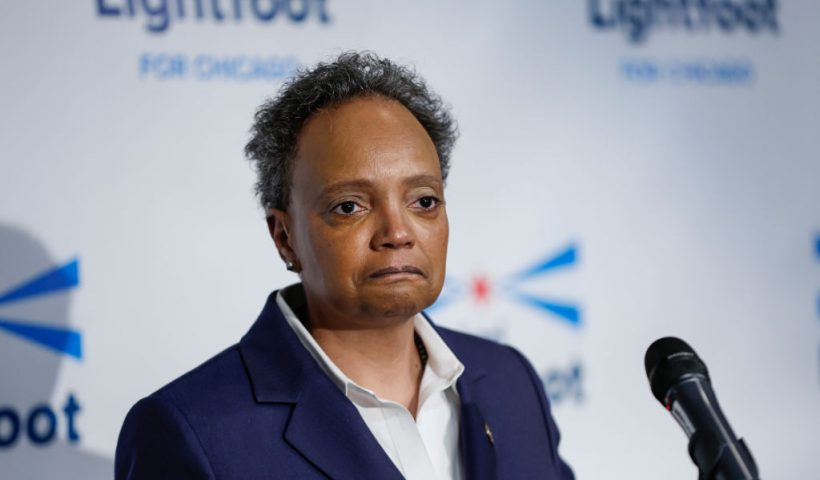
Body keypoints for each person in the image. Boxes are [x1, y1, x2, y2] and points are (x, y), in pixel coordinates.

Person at [115, 52, 574, 480]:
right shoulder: (192, 430)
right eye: (350, 206)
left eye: (424, 201)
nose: (397, 232)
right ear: (284, 236)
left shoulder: (511, 382)